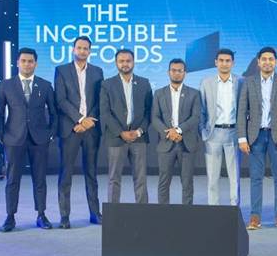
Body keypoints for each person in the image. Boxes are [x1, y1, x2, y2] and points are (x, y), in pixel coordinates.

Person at [0, 48, 58, 232]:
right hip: (14, 138)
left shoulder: (45, 85)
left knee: (40, 179)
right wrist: (1, 136)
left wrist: (50, 134)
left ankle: (41, 215)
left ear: (35, 64)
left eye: (30, 61)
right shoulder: (6, 85)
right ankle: (10, 217)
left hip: (39, 139)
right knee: (12, 180)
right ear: (17, 63)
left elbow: (54, 113)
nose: (27, 64)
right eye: (23, 61)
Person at [237, 47, 277, 231]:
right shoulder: (249, 82)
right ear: (258, 62)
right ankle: (255, 217)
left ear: (276, 62)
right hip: (255, 137)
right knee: (256, 177)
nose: (267, 62)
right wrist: (242, 138)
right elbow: (242, 111)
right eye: (264, 59)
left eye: (271, 59)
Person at [54, 36, 104, 229]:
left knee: (91, 173)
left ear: (89, 51)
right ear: (73, 49)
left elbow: (100, 100)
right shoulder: (61, 70)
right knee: (66, 173)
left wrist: (88, 121)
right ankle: (64, 216)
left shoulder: (97, 72)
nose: (82, 51)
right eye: (79, 48)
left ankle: (95, 213)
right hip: (71, 129)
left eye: (86, 48)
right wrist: (80, 119)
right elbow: (61, 100)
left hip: (91, 129)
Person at [100, 49, 153, 206]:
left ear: (133, 62)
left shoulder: (144, 83)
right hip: (116, 138)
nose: (125, 64)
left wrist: (139, 131)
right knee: (114, 178)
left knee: (140, 178)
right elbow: (105, 112)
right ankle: (114, 212)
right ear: (116, 63)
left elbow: (149, 111)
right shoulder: (107, 84)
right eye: (121, 61)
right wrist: (120, 132)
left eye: (128, 61)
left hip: (139, 138)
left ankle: (142, 211)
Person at [151, 58, 201, 205]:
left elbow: (196, 117)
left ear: (185, 73)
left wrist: (178, 130)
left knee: (187, 182)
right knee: (163, 181)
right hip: (166, 142)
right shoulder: (159, 93)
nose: (176, 73)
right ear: (168, 72)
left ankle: (186, 213)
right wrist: (169, 133)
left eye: (180, 71)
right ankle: (163, 212)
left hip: (187, 143)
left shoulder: (194, 93)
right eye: (173, 70)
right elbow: (155, 117)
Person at [199, 49, 242, 206]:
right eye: (221, 60)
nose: (224, 63)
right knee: (212, 177)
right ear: (216, 62)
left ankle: (234, 209)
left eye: (228, 61)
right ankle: (213, 209)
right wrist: (203, 132)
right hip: (213, 134)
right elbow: (201, 109)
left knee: (234, 177)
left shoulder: (241, 82)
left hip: (234, 133)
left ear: (233, 63)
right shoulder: (206, 82)